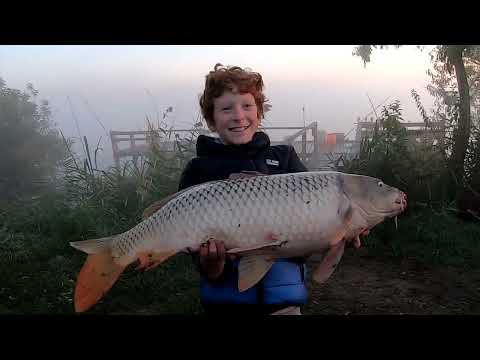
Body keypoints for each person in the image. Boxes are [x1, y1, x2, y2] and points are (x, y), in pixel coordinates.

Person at [178, 63, 310, 315]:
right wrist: (212, 263)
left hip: (284, 307)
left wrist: (342, 231)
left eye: (247, 106)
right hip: (227, 308)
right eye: (227, 108)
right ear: (211, 120)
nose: (239, 116)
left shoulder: (285, 159)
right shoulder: (199, 170)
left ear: (259, 113)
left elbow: (314, 225)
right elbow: (199, 260)